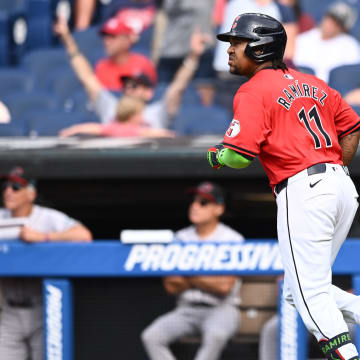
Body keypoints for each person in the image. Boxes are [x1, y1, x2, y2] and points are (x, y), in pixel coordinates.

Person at [207, 12, 360, 360]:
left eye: (236, 42)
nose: (230, 50)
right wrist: (332, 171)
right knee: (300, 290)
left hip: (305, 190)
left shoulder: (253, 90)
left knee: (310, 296)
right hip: (340, 187)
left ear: (259, 48)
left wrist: (214, 156)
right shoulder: (315, 83)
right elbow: (351, 128)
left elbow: (238, 155)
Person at [141, 181, 244, 360]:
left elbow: (223, 287)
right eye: (193, 201)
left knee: (215, 336)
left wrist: (187, 274)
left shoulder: (232, 239)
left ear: (218, 209)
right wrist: (205, 278)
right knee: (151, 336)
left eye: (203, 202)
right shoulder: (180, 238)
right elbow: (171, 286)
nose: (195, 206)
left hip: (221, 308)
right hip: (186, 309)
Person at [0, 166, 92, 360]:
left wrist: (44, 237)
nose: (8, 191)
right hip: (8, 311)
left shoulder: (47, 217)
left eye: (16, 187)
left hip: (42, 309)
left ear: (31, 193)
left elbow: (84, 236)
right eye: (6, 186)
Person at [54, 15, 212, 128]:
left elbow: (178, 87)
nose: (129, 89)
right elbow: (86, 77)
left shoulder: (156, 113)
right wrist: (67, 40)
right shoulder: (111, 108)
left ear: (148, 93)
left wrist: (193, 56)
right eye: (127, 85)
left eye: (135, 86)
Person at [293, 1, 360, 83]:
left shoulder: (350, 46)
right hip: (300, 86)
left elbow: (349, 78)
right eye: (330, 19)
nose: (330, 24)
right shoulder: (303, 39)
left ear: (343, 28)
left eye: (337, 23)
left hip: (332, 91)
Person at [59, 95, 174, 138]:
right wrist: (169, 135)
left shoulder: (112, 127)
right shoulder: (127, 129)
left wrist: (73, 129)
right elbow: (151, 133)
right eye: (139, 114)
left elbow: (94, 127)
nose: (143, 117)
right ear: (131, 116)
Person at [94, 15, 157, 91]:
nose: (107, 42)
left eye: (112, 37)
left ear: (126, 40)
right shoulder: (101, 67)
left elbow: (151, 94)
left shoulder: (142, 64)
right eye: (105, 37)